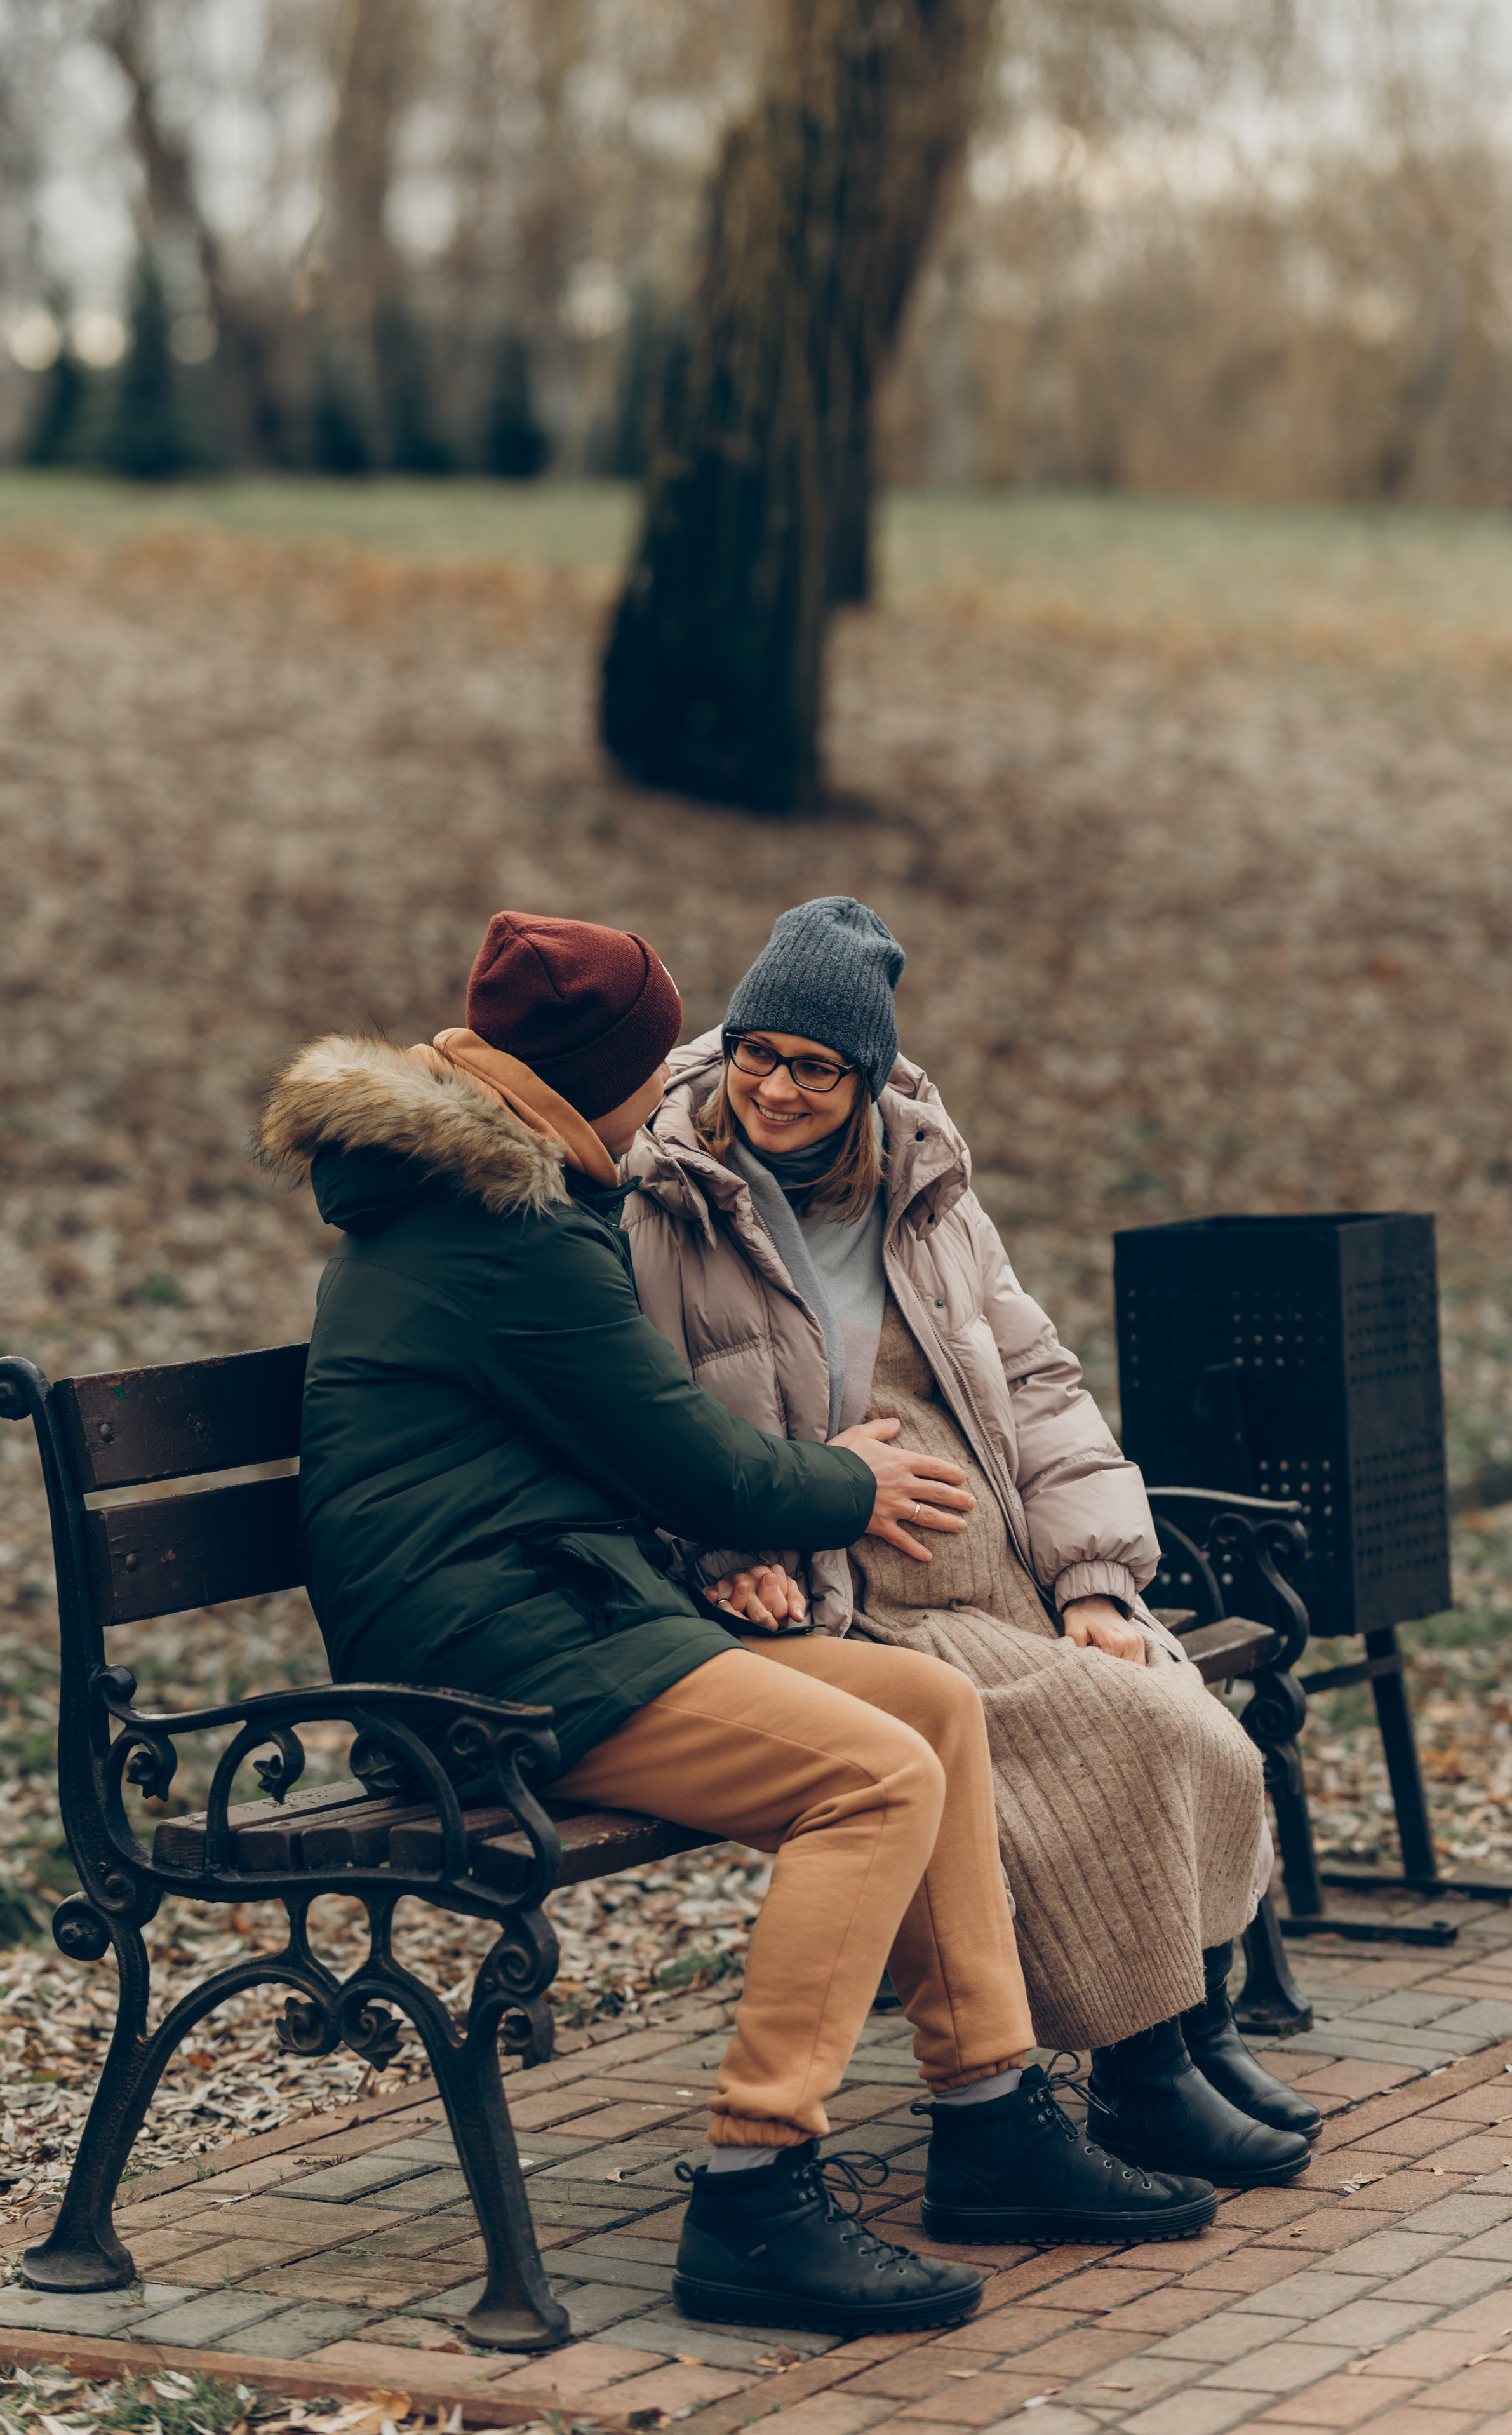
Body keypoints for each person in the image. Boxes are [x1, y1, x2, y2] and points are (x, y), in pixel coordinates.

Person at [258, 909, 1227, 2348]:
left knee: (931, 1706)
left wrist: (747, 1540)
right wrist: (851, 1485)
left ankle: (989, 2119)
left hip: (562, 1607)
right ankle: (754, 2191)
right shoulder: (505, 1232)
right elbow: (698, 1468)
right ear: (601, 1079)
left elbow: (642, 1453)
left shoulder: (490, 1194)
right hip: (488, 1664)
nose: (677, 1089)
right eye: (658, 1065)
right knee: (871, 1776)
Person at [622, 896, 1320, 2191]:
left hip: (997, 1574)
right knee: (1105, 1736)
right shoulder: (662, 1195)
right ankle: (1145, 2075)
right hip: (851, 1593)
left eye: (814, 1068)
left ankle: (1191, 2032)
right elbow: (637, 1424)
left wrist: (1094, 1579)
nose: (774, 1088)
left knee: (1183, 1716)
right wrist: (726, 1546)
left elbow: (1039, 1384)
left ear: (866, 1081)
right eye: (758, 1053)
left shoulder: (924, 1185)